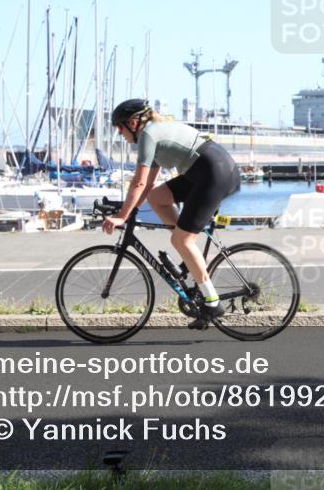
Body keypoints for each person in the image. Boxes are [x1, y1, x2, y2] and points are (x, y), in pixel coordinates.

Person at [102, 99, 241, 327]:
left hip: (213, 172)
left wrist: (122, 217)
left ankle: (213, 302)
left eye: (120, 127)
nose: (119, 133)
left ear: (134, 123)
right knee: (157, 198)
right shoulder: (154, 134)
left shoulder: (148, 135)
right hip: (205, 170)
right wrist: (129, 209)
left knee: (182, 240)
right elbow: (147, 186)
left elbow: (137, 182)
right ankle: (188, 257)